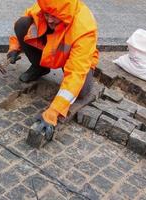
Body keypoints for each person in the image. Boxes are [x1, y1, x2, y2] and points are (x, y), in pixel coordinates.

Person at [7, 0, 99, 136]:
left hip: (73, 58)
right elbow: (25, 24)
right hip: (53, 48)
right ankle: (39, 68)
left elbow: (76, 72)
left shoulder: (84, 28)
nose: (49, 19)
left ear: (65, 13)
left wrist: (53, 112)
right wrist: (15, 48)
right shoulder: (47, 5)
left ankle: (77, 86)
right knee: (22, 23)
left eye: (54, 16)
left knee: (81, 92)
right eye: (47, 14)